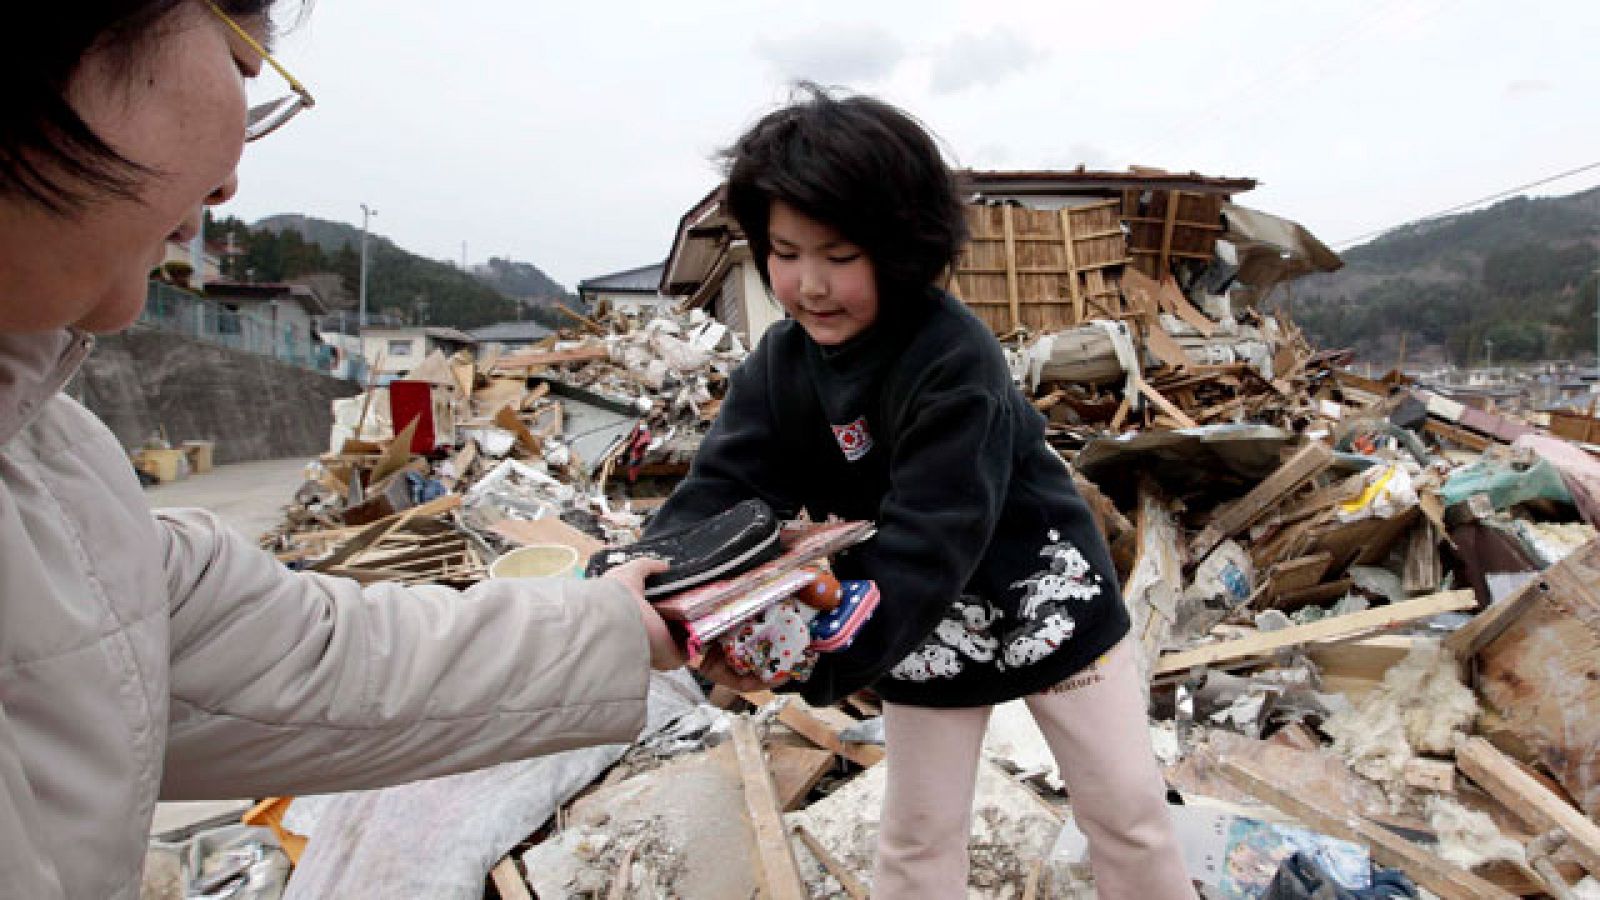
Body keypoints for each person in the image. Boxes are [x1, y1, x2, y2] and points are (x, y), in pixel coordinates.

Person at [0, 3, 681, 897]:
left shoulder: (60, 477)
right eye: (246, 71)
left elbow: (305, 658)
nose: (227, 189)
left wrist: (617, 627)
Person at [649, 85, 1196, 899]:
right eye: (786, 252)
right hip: (918, 623)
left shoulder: (951, 355)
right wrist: (656, 577)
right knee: (916, 838)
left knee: (1127, 809)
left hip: (1036, 592)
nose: (809, 285)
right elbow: (724, 488)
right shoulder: (778, 370)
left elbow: (937, 526)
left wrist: (831, 648)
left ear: (901, 250)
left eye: (839, 257)